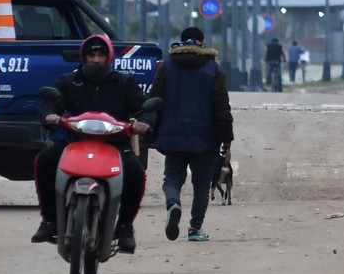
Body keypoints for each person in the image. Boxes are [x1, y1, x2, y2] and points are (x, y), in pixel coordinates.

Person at [31, 34, 154, 254]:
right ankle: (49, 220)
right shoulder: (68, 81)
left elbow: (144, 107)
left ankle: (125, 227)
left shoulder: (124, 82)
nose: (96, 59)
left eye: (100, 55)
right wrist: (50, 115)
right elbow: (48, 104)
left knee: (136, 172)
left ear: (109, 57)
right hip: (74, 142)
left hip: (115, 144)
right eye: (91, 55)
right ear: (84, 57)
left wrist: (144, 122)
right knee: (45, 161)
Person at [152, 26, 234, 243]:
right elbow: (222, 107)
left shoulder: (168, 66)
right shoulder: (213, 68)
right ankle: (195, 229)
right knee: (201, 184)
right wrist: (226, 138)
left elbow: (155, 100)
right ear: (201, 42)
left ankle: (173, 204)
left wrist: (153, 131)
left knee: (172, 178)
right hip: (205, 139)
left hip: (173, 135)